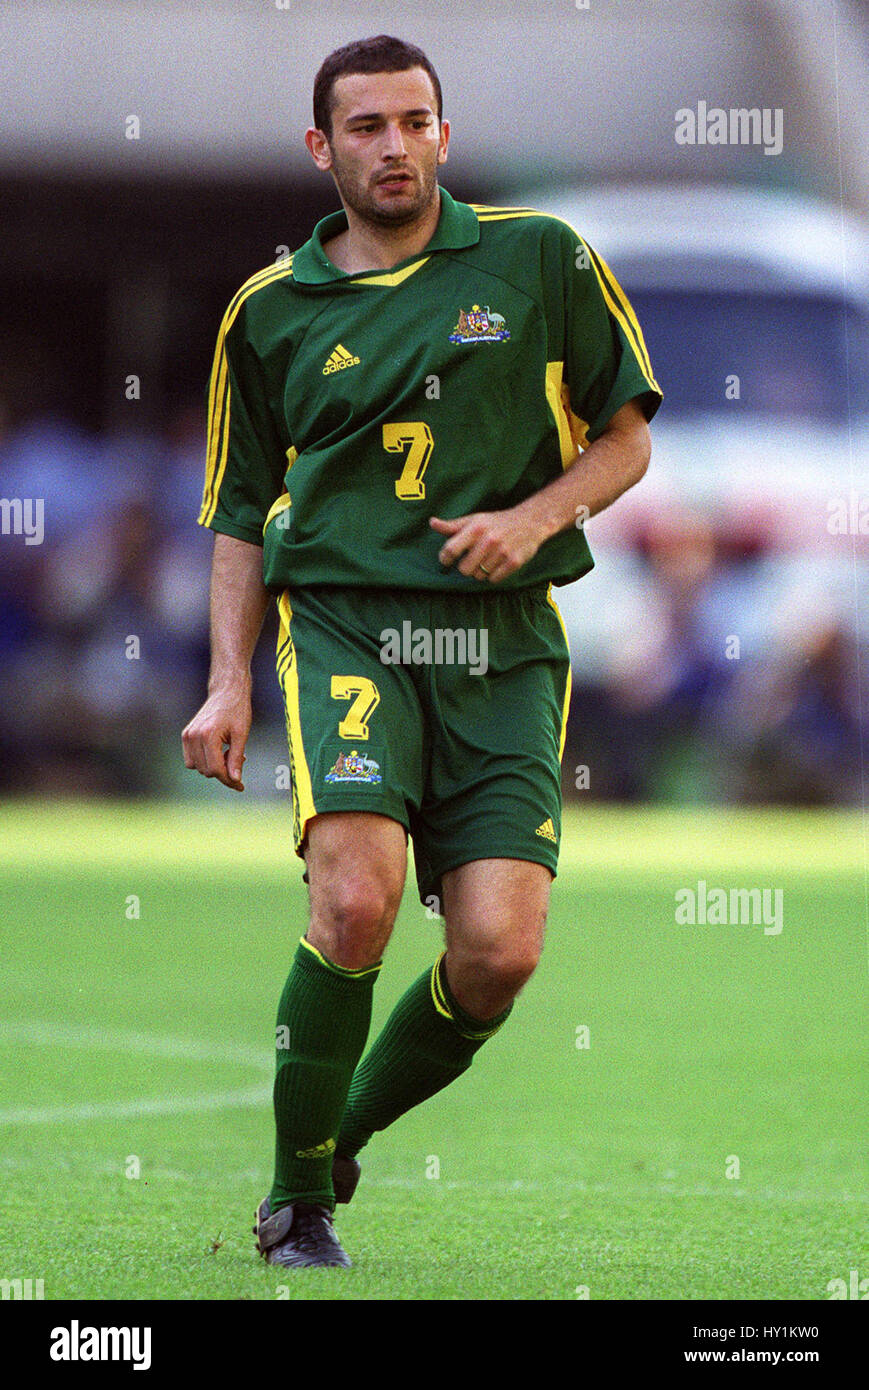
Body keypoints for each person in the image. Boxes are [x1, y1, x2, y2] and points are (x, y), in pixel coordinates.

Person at [182, 34, 662, 1269]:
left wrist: (531, 516)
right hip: (349, 627)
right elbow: (239, 511)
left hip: (501, 649)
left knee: (496, 955)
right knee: (354, 899)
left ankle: (332, 1135)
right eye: (365, 127)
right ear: (320, 146)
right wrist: (229, 679)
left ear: (442, 134)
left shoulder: (541, 258)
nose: (393, 146)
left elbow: (623, 442)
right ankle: (298, 1206)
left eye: (413, 122)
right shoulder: (269, 311)